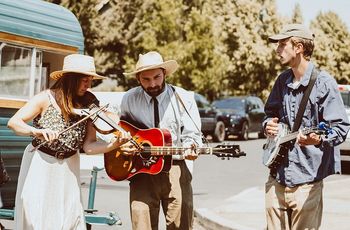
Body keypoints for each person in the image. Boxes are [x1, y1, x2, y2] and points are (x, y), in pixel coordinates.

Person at [8, 54, 130, 230]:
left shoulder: (89, 104)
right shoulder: (45, 98)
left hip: (69, 165)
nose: (88, 85)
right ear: (70, 79)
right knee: (35, 215)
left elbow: (89, 146)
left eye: (90, 80)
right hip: (41, 161)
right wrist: (36, 131)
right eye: (84, 80)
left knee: (68, 216)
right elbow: (14, 123)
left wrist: (115, 144)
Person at [263, 24, 350, 229]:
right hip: (277, 177)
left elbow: (339, 128)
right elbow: (270, 113)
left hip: (307, 182)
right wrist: (269, 125)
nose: (277, 50)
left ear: (299, 47)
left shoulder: (324, 83)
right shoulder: (282, 80)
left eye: (283, 45)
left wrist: (317, 138)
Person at [120, 51, 202, 230]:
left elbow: (193, 134)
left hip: (176, 168)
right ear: (138, 79)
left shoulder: (183, 97)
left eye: (157, 77)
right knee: (141, 223)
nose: (153, 84)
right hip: (141, 172)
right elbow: (120, 131)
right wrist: (122, 144)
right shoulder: (129, 99)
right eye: (146, 79)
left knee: (181, 224)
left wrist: (191, 147)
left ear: (165, 73)